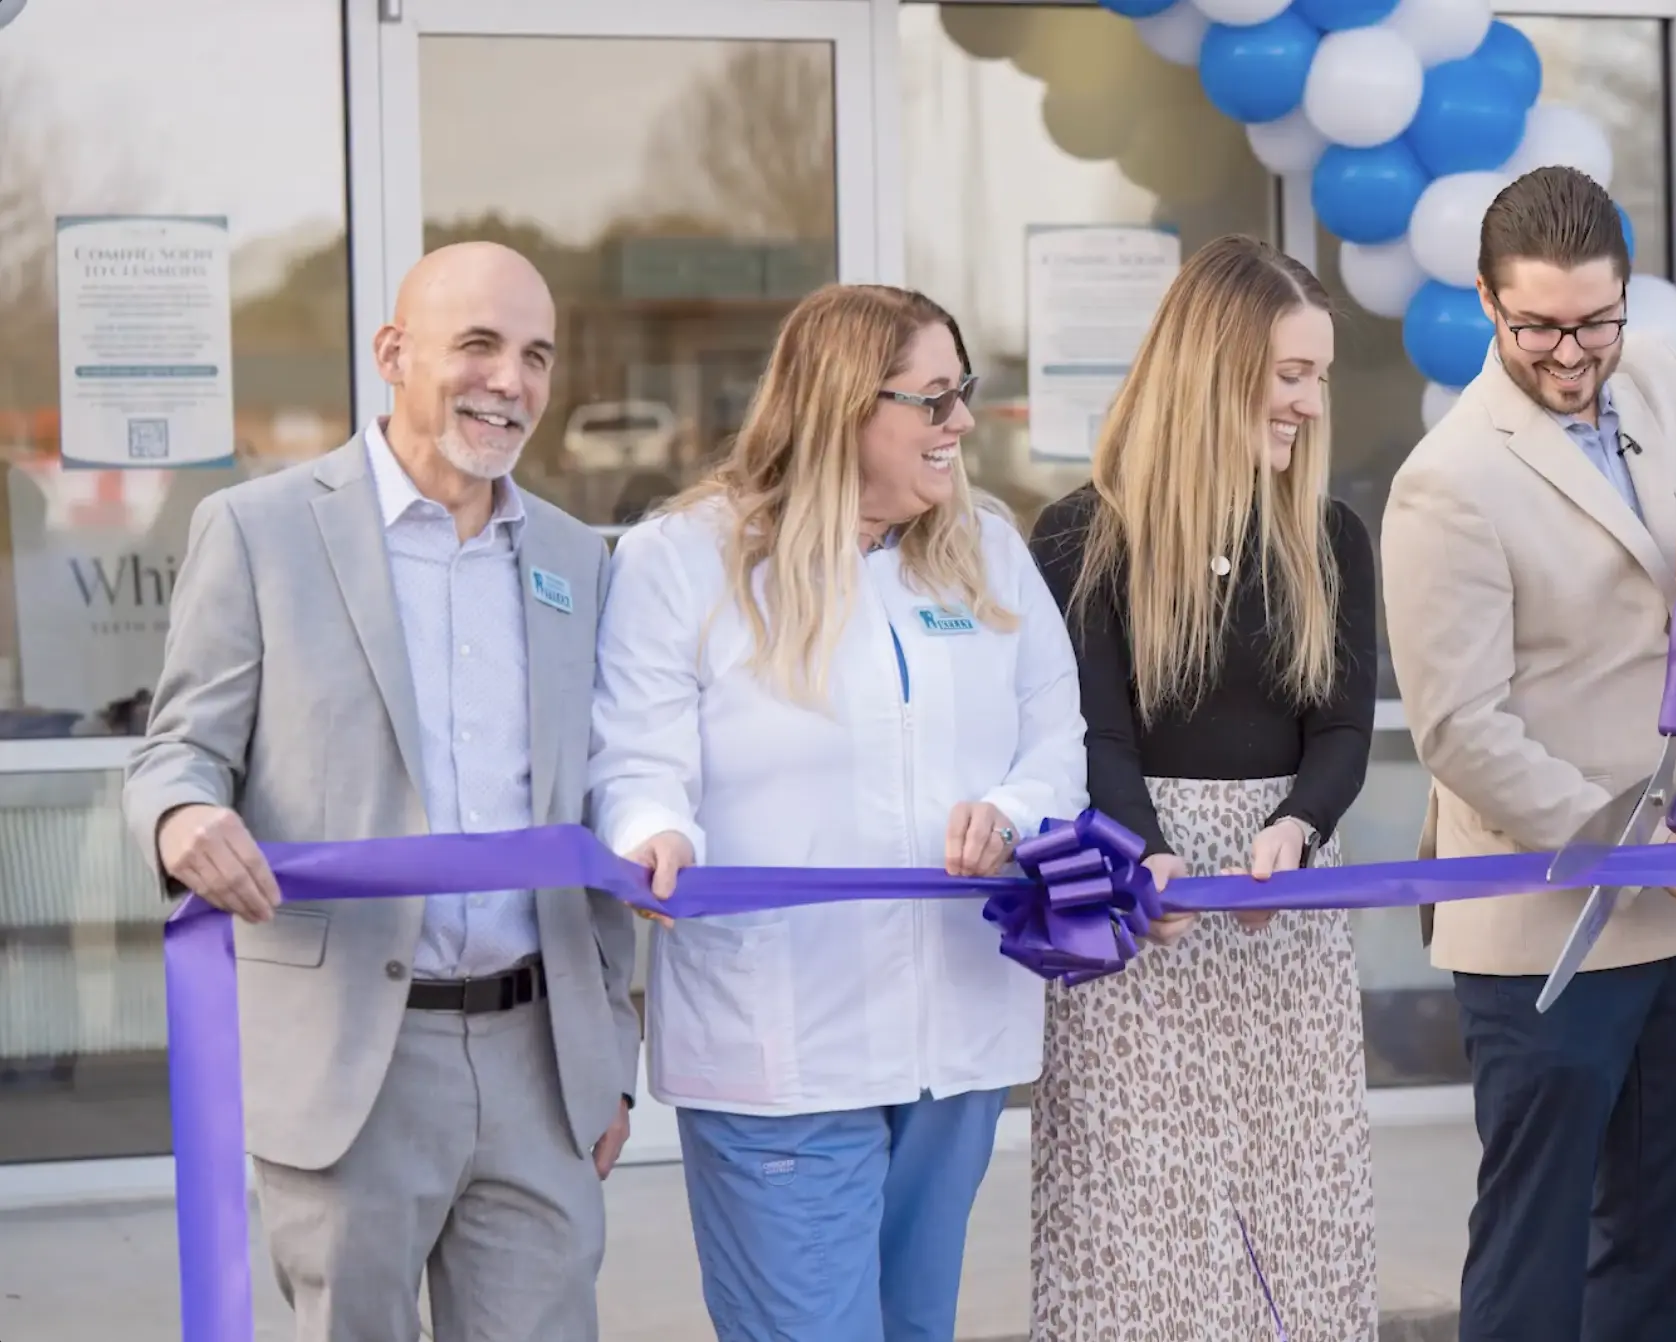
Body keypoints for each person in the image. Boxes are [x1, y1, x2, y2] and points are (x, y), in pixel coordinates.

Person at [122, 241, 639, 1342]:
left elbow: (595, 809)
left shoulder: (574, 556)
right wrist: (183, 816)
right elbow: (178, 751)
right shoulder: (260, 531)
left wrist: (613, 1053)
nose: (512, 380)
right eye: (480, 345)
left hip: (540, 1062)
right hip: (351, 1057)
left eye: (537, 355)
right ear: (393, 354)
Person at [1379, 166, 1676, 1342]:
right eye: (1537, 323)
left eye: (1595, 319)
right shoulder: (1446, 482)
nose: (1569, 350)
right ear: (1488, 304)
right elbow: (1461, 728)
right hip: (1550, 912)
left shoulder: (1657, 379)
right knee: (1536, 1246)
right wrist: (1638, 849)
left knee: (1671, 1226)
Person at [586, 284, 1086, 1342]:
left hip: (953, 1038)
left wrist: (1010, 807)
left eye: (965, 394)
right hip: (782, 1046)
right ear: (842, 406)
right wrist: (651, 837)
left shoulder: (986, 548)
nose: (961, 423)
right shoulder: (684, 558)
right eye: (933, 399)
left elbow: (1057, 742)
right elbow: (635, 757)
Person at [1025, 234, 1380, 1340]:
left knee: (1299, 1211)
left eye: (1319, 375)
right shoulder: (1083, 536)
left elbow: (1343, 725)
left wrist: (1299, 827)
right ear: (1216, 365)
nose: (1312, 403)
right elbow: (1092, 728)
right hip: (1138, 908)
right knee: (1138, 1222)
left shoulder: (1328, 536)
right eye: (1292, 374)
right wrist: (1145, 855)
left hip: (1284, 912)